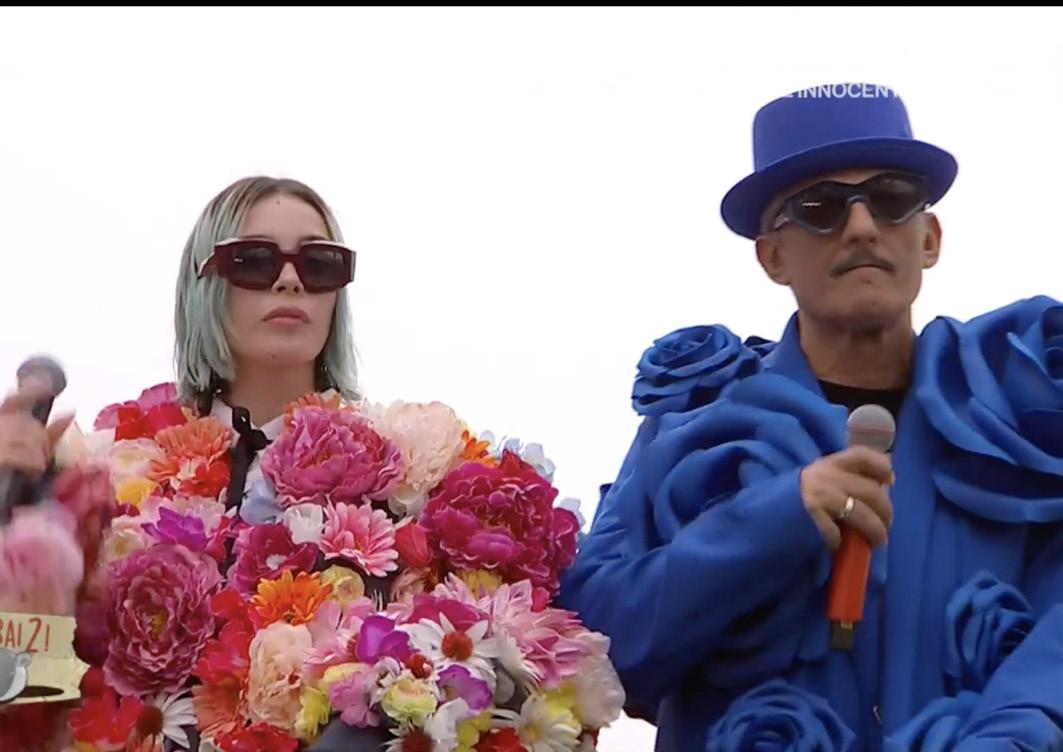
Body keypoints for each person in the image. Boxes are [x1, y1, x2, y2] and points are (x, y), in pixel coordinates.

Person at [557, 83, 1063, 751]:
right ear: (771, 256)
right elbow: (591, 647)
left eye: (891, 198)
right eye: (820, 208)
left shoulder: (1017, 423)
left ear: (930, 237)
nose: (861, 227)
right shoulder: (690, 428)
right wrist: (774, 520)